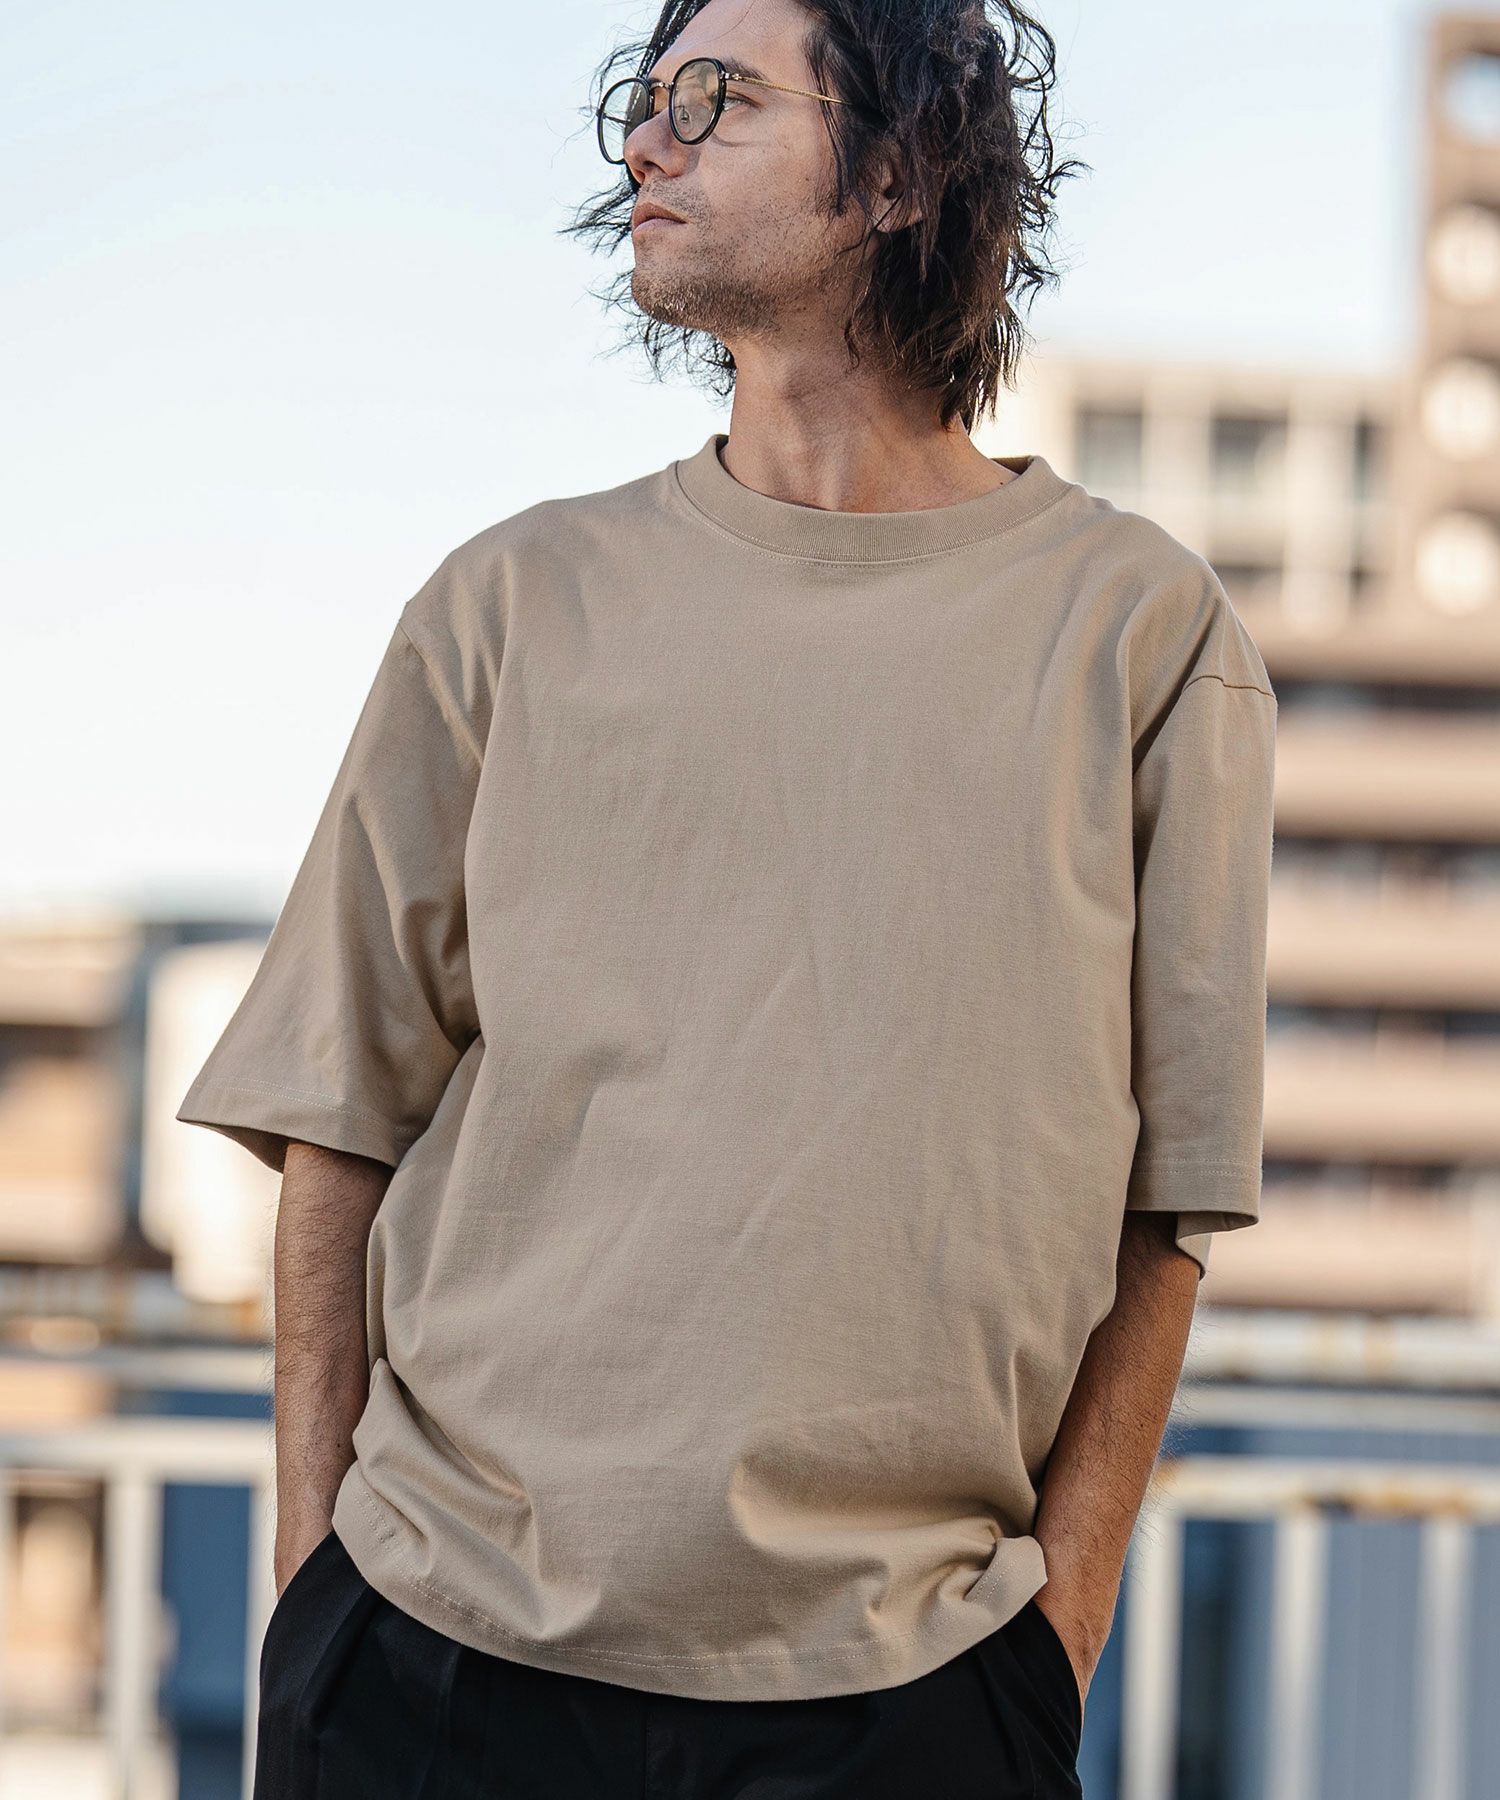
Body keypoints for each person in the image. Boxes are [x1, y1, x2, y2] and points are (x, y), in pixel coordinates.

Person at [176, 1, 1278, 1795]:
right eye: (642, 100)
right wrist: (314, 1595)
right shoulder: (507, 605)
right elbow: (336, 1116)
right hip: (432, 1662)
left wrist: (1048, 1652)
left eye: (713, 98)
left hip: (908, 1697)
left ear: (902, 170)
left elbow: (1175, 1208)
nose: (645, 143)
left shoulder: (1144, 638)